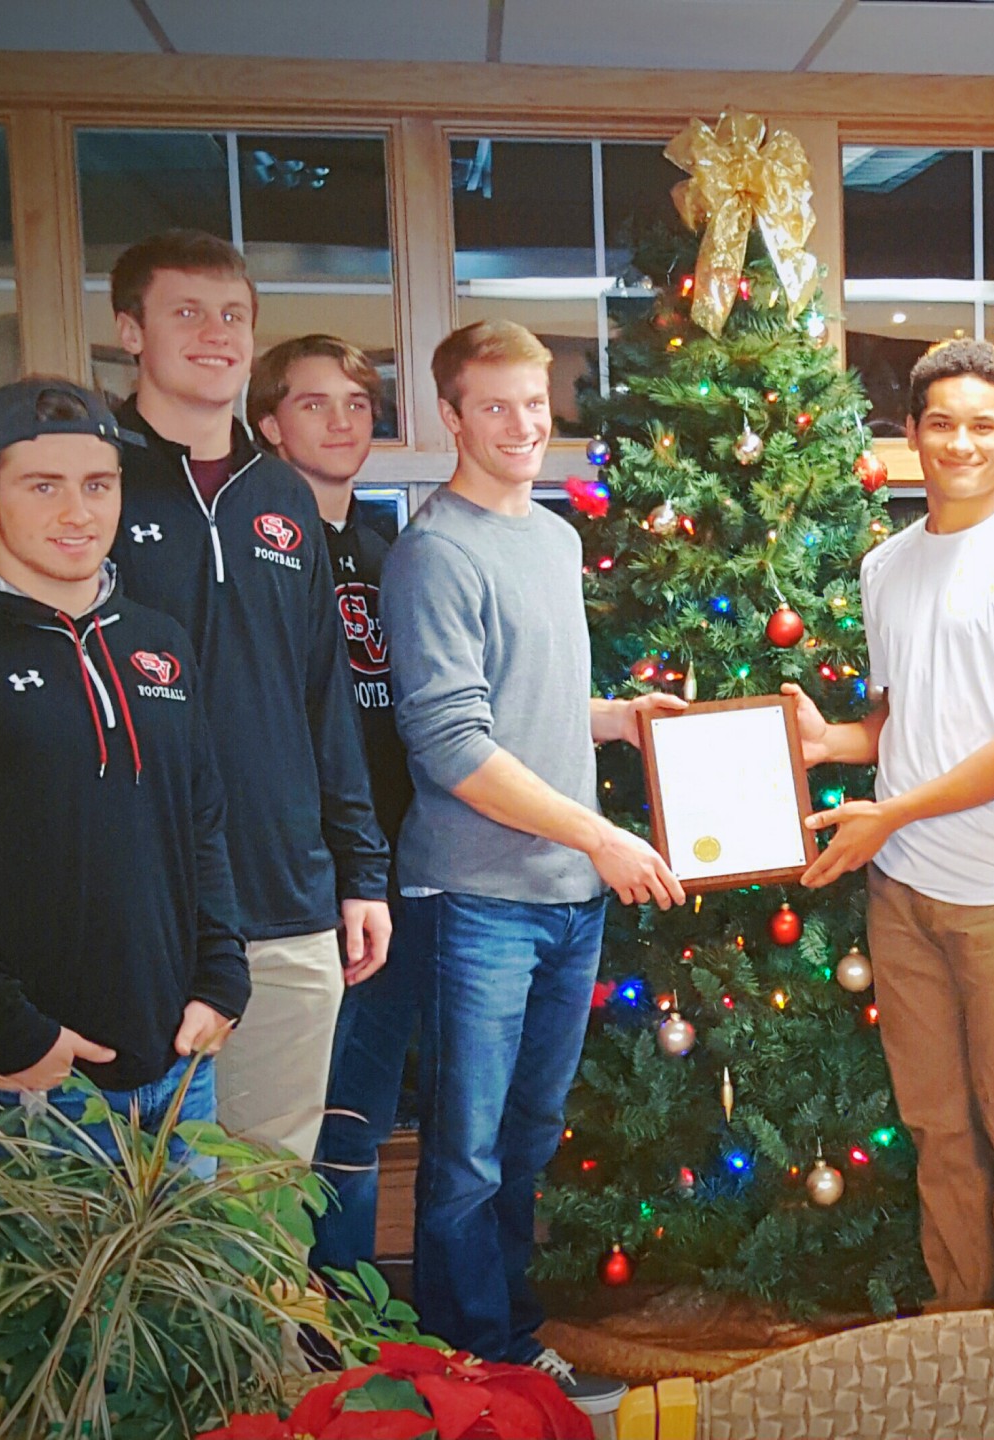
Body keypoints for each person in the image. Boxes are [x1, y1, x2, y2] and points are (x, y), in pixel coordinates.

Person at [388, 320, 682, 1408]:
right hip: (480, 899)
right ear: (450, 417)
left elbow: (528, 701)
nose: (522, 425)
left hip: (567, 897)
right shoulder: (435, 553)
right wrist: (599, 835)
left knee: (527, 1137)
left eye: (534, 401)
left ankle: (504, 1332)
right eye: (494, 406)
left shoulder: (554, 538)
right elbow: (455, 747)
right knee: (465, 1152)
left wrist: (618, 718)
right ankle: (471, 1362)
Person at [0, 377, 245, 1160]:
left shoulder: (157, 642)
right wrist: (15, 1035)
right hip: (23, 1088)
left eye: (98, 485)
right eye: (43, 486)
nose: (77, 513)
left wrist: (221, 980)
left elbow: (200, 820)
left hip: (178, 1072)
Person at [784, 339, 994, 1314]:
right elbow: (902, 722)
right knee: (937, 1127)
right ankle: (963, 1322)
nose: (962, 443)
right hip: (903, 889)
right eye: (942, 423)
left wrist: (891, 814)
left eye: (983, 425)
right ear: (910, 433)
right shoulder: (886, 565)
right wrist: (828, 744)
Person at [106, 229, 391, 1164]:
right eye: (186, 312)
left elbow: (325, 698)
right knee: (141, 1205)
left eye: (232, 314)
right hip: (147, 911)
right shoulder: (96, 483)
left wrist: (361, 873)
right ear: (130, 331)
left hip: (288, 901)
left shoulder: (284, 495)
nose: (215, 333)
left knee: (267, 1196)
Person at [249, 334, 417, 1272]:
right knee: (292, 1126)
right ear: (269, 424)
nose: (342, 421)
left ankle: (347, 1323)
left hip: (392, 868)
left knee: (359, 1117)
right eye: (314, 404)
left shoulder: (383, 551)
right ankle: (288, 1322)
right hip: (304, 880)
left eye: (357, 403)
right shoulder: (260, 553)